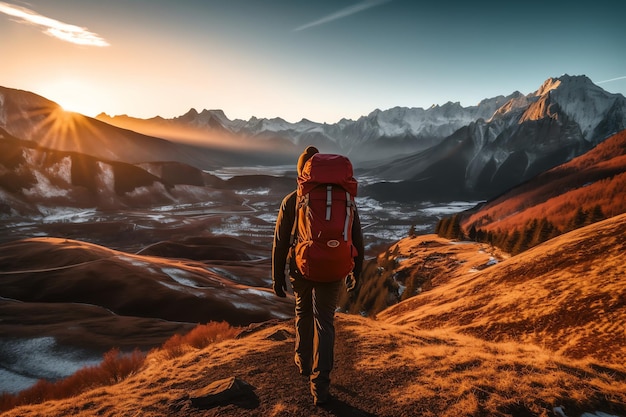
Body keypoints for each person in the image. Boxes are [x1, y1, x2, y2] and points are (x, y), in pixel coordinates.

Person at [272, 145, 364, 406]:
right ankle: (320, 385)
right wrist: (356, 270)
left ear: (302, 171)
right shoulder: (345, 198)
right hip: (334, 268)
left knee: (303, 311)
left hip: (302, 267)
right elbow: (357, 236)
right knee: (325, 322)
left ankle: (303, 361)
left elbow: (280, 242)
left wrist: (277, 277)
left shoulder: (292, 200)